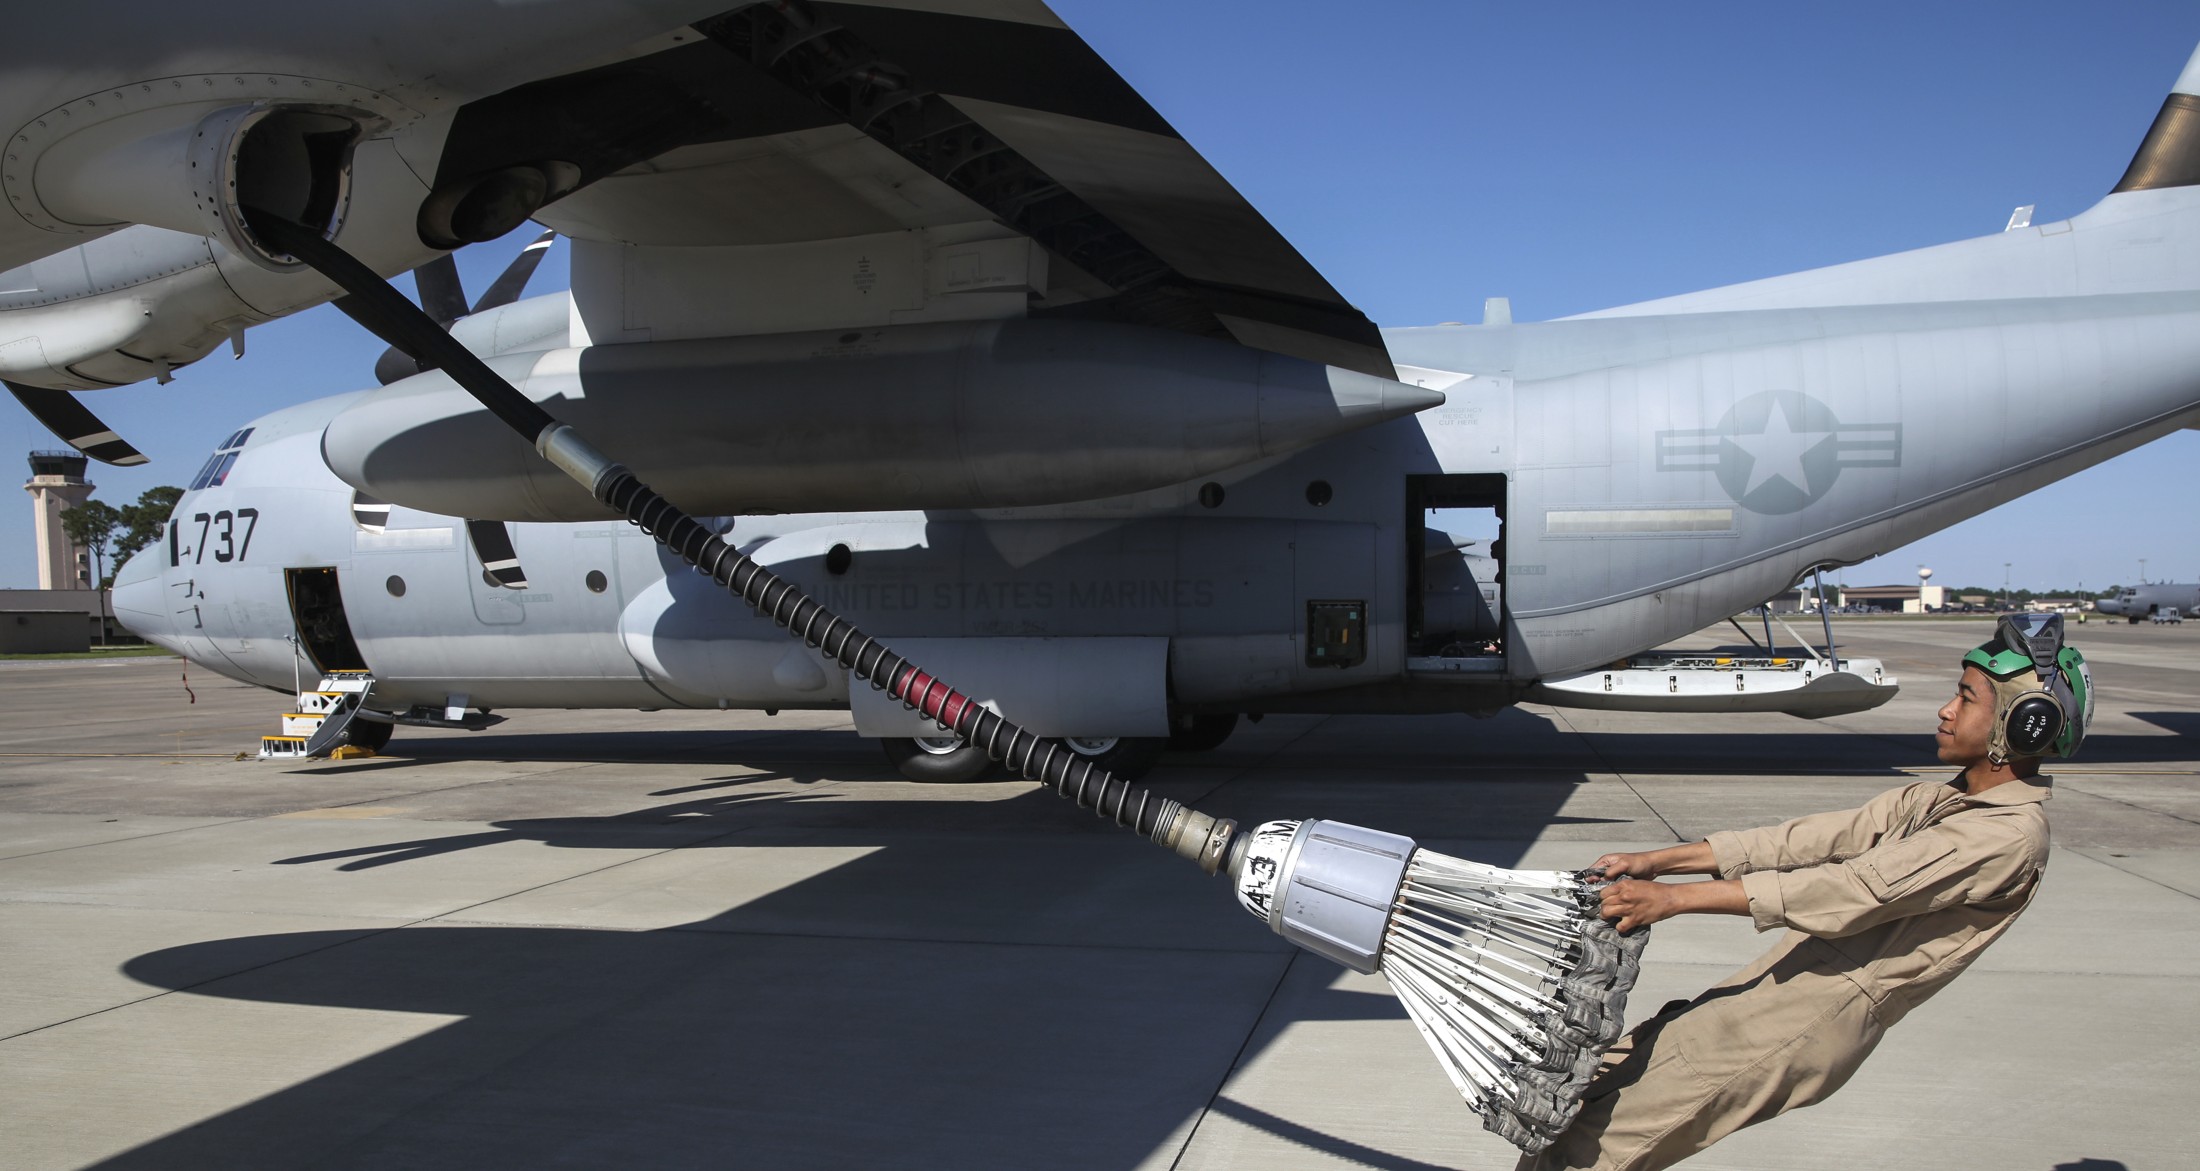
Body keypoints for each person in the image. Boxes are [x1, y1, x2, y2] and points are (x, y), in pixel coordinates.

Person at [1521, 613, 2092, 1171]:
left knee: (1594, 1149)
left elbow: (1853, 889)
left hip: (1807, 1016)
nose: (1946, 710)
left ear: (2022, 724)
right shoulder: (1941, 801)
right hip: (1784, 986)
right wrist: (1659, 860)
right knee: (1585, 1097)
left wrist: (1672, 899)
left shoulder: (2003, 836)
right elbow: (1809, 841)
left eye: (1966, 699)